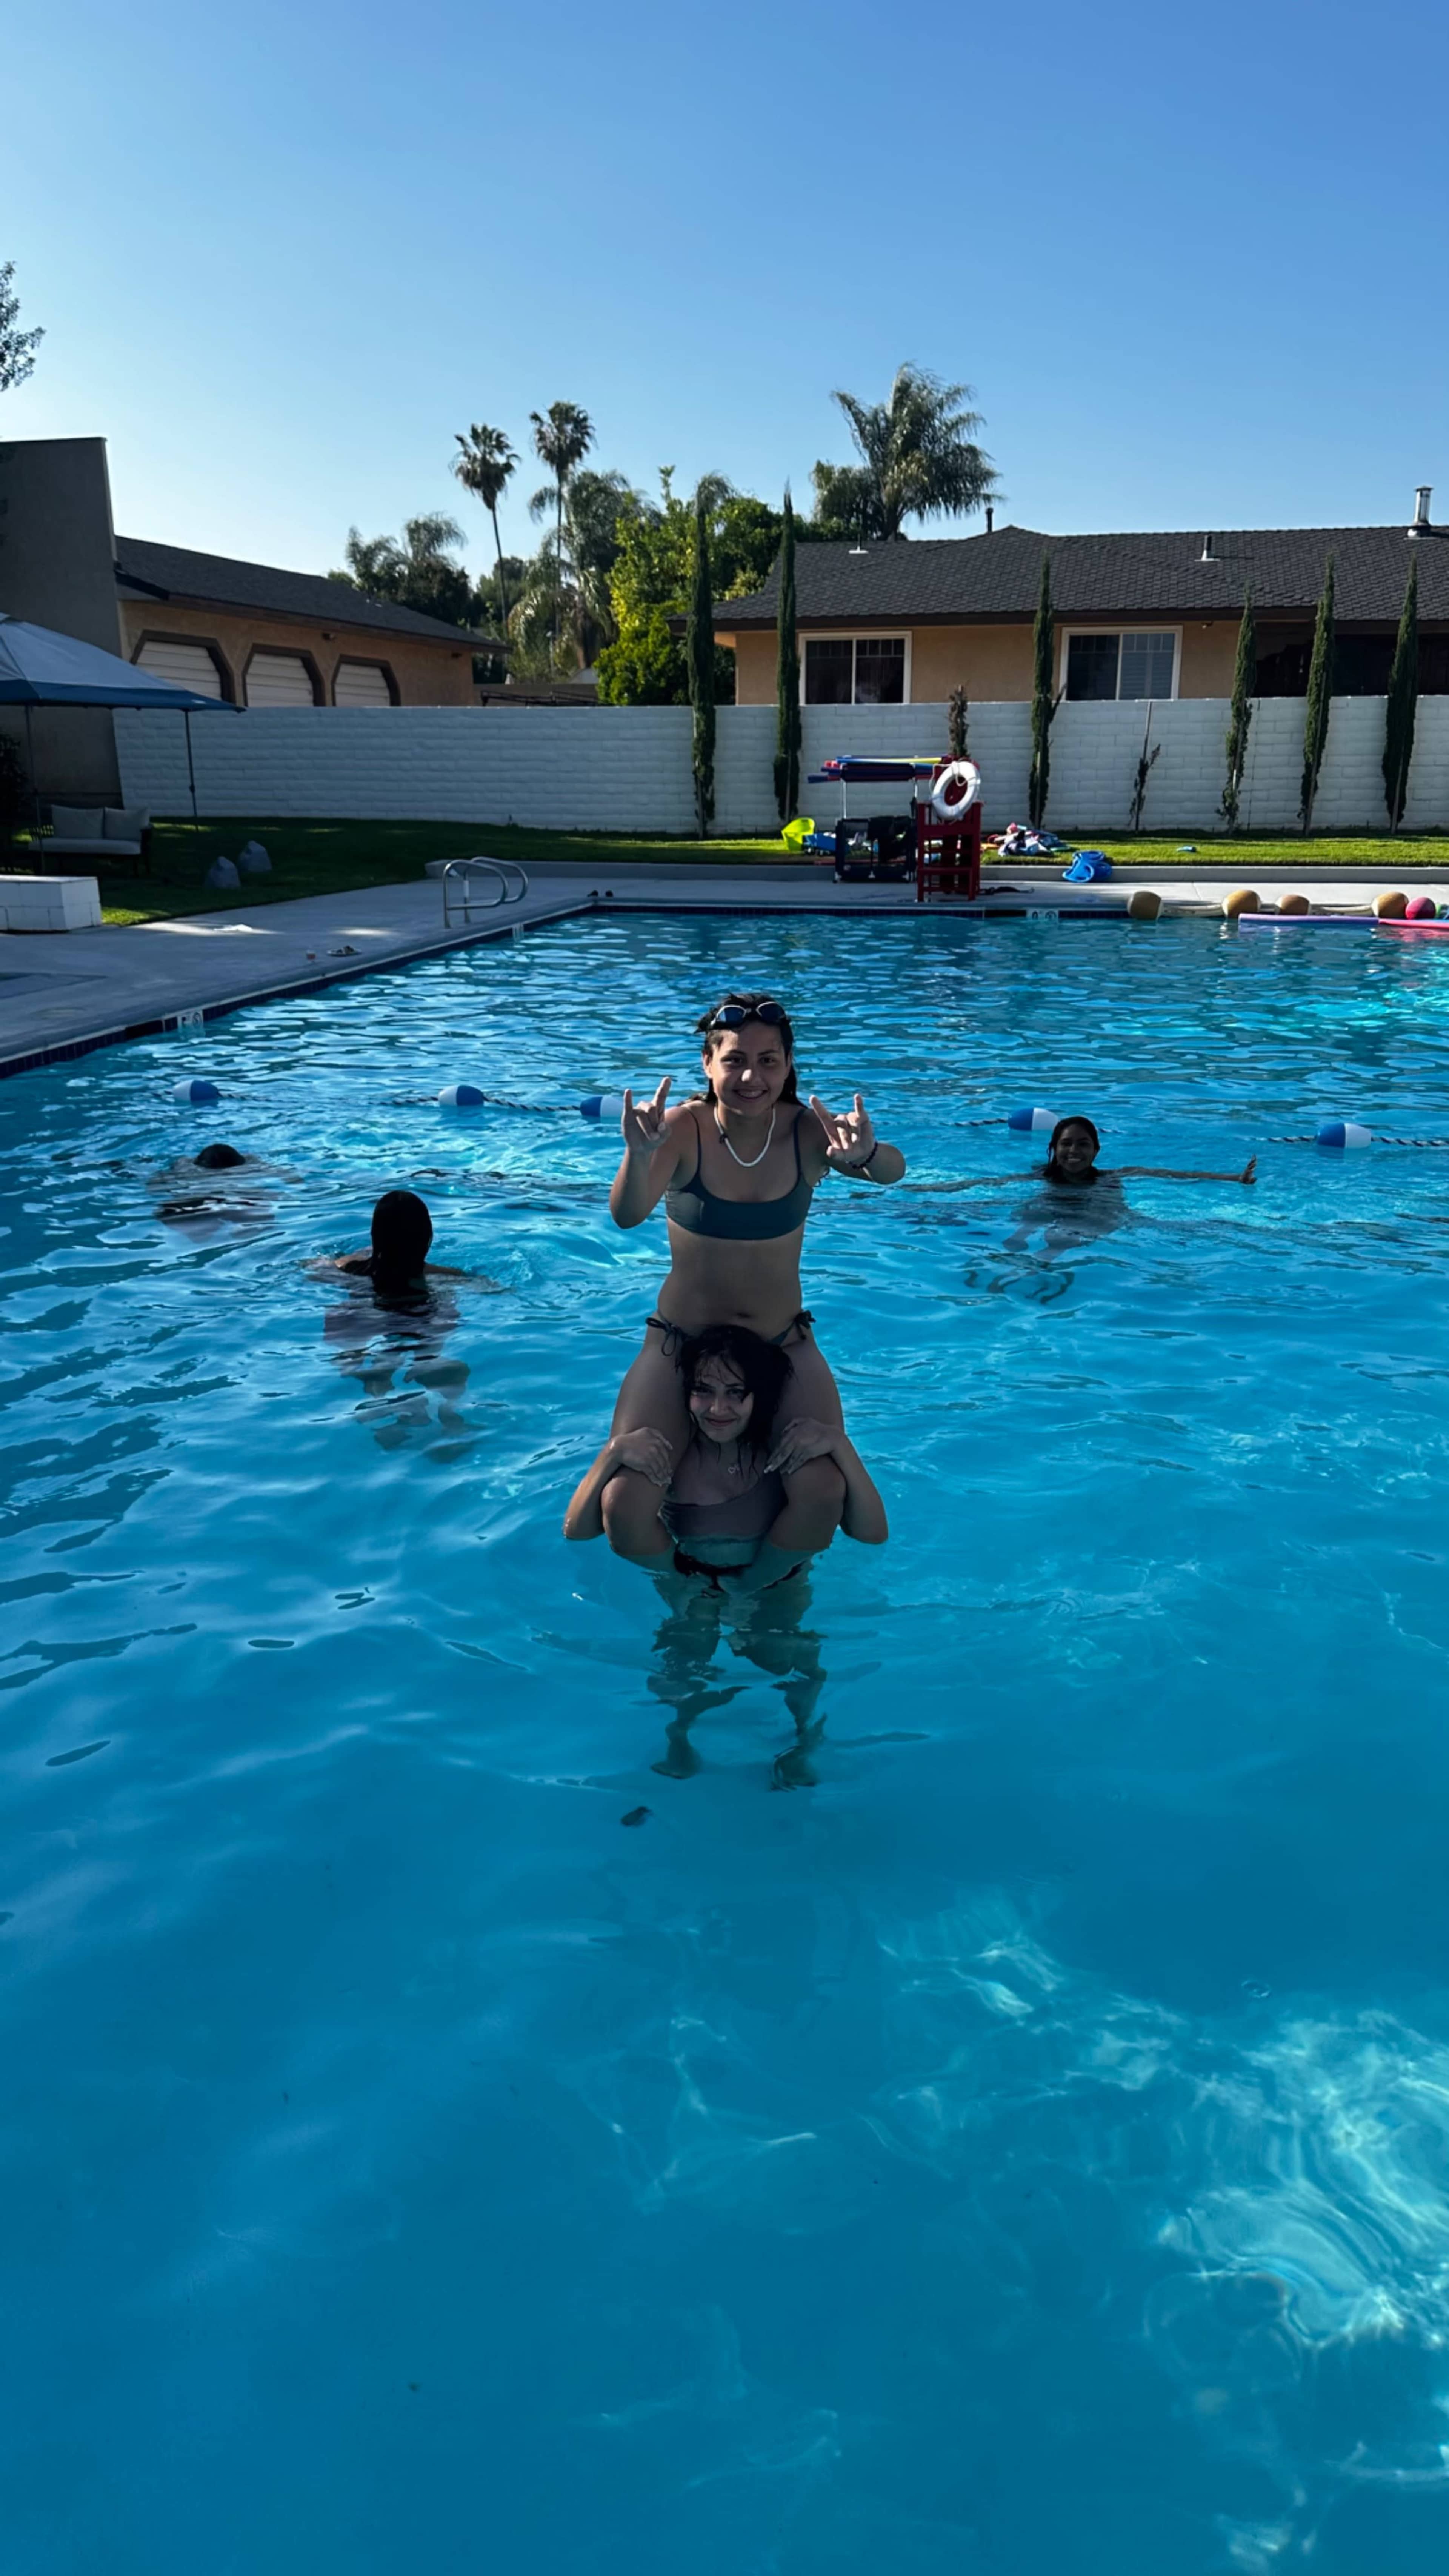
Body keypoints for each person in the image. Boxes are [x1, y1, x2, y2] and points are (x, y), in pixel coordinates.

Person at [600, 992, 905, 1566]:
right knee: (624, 1500)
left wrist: (867, 1154)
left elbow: (893, 1171)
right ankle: (685, 1589)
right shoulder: (681, 1129)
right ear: (708, 1063)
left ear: (788, 1066)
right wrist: (638, 1157)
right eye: (735, 1060)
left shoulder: (806, 1131)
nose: (751, 1076)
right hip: (680, 1342)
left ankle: (765, 1586)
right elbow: (627, 1214)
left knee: (824, 1489)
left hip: (780, 1341)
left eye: (768, 1061)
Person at [565, 1321, 887, 1592]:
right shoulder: (670, 1458)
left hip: (778, 1581)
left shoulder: (780, 1453)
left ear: (759, 1397)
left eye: (736, 1392)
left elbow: (872, 1534)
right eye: (703, 1391)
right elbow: (577, 1531)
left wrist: (840, 1444)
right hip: (687, 1584)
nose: (718, 1409)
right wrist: (612, 1453)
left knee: (779, 1649)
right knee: (688, 1647)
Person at [323, 1190, 479, 1297]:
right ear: (426, 1234)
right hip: (421, 1317)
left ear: (375, 1233)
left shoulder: (344, 1266)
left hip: (358, 1314)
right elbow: (488, 1288)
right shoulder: (447, 1275)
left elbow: (315, 1269)